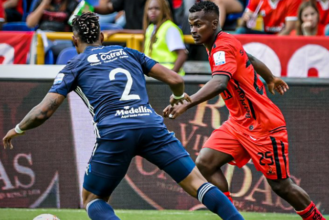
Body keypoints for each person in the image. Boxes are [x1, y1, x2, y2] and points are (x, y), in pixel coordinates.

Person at [2, 12, 244, 220]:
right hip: (150, 126)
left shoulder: (73, 66)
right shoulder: (128, 52)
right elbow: (176, 79)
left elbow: (44, 110)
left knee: (91, 199)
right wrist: (178, 96)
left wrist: (19, 128)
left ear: (73, 40)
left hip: (115, 131)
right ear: (103, 37)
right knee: (198, 183)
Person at [164, 2, 326, 220]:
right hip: (238, 124)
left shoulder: (221, 47)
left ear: (214, 23)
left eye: (198, 24)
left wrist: (188, 102)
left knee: (281, 186)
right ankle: (232, 216)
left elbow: (220, 82)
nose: (193, 30)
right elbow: (250, 57)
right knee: (205, 164)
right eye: (191, 24)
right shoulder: (224, 40)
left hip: (263, 126)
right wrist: (270, 78)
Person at [143, 0, 187, 76]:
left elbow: (182, 55)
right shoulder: (150, 28)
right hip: (155, 76)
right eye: (150, 9)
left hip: (166, 77)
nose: (153, 11)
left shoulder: (169, 28)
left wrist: (171, 76)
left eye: (157, 8)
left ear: (164, 10)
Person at [237, 0, 301, 35]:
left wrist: (271, 42)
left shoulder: (293, 1)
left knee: (292, 33)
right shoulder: (258, 1)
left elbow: (288, 30)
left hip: (284, 36)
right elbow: (241, 24)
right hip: (267, 34)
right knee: (241, 31)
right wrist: (246, 19)